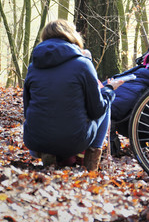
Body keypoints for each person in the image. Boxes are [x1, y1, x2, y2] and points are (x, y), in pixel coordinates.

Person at [23, 19, 124, 170]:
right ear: (72, 36)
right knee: (106, 102)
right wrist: (109, 89)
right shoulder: (83, 64)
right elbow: (96, 109)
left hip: (35, 140)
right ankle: (90, 164)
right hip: (73, 141)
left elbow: (27, 109)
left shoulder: (33, 66)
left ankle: (48, 154)